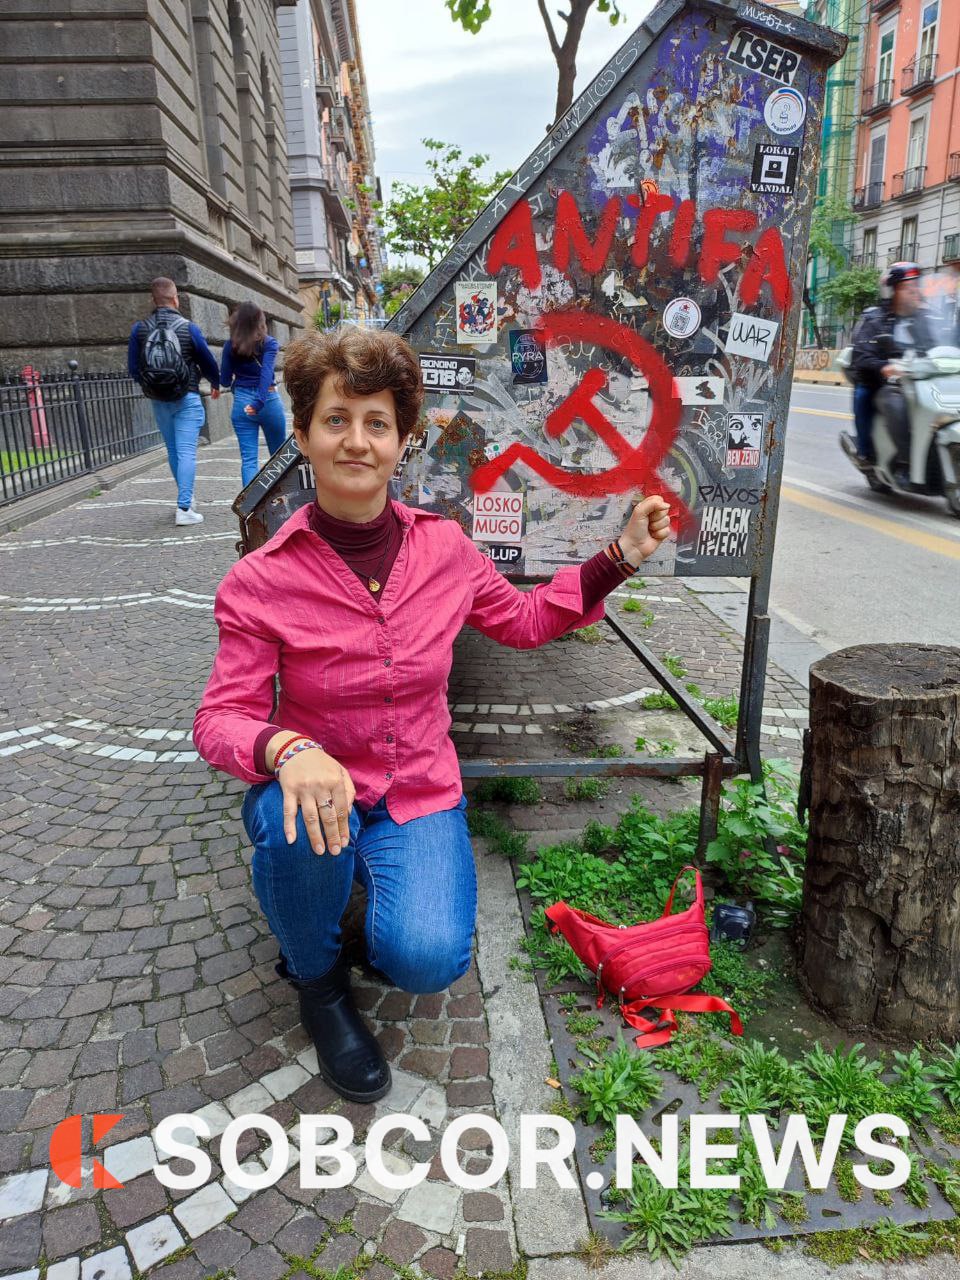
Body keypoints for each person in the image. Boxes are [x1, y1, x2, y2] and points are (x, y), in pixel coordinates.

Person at [193, 328, 671, 1104]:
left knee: (427, 958)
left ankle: (352, 903)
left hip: (416, 791)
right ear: (304, 435)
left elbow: (524, 620)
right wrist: (286, 749)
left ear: (403, 441)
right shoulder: (261, 579)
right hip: (318, 790)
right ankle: (317, 980)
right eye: (336, 419)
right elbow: (220, 718)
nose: (357, 441)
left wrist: (618, 557)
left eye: (376, 423)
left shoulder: (445, 549)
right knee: (291, 822)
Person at [127, 277, 220, 525]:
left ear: (153, 300)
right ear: (175, 298)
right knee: (187, 451)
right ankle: (185, 508)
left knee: (173, 451)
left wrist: (151, 386)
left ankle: (186, 498)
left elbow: (133, 368)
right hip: (186, 395)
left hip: (158, 400)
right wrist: (215, 382)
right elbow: (207, 361)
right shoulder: (188, 328)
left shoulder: (139, 329)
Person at [849, 262, 935, 478]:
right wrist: (884, 367)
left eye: (916, 286)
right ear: (892, 291)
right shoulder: (874, 319)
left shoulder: (922, 318)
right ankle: (876, 454)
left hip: (916, 379)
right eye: (907, 287)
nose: (913, 291)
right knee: (865, 395)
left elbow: (935, 346)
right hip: (880, 382)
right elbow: (861, 354)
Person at [219, 303, 287, 487]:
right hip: (268, 401)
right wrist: (259, 402)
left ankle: (249, 505)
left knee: (249, 460)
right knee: (279, 457)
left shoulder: (230, 346)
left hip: (242, 403)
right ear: (260, 322)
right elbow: (266, 374)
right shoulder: (269, 343)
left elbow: (224, 380)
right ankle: (281, 499)